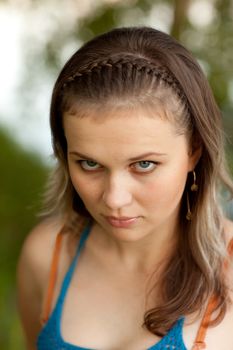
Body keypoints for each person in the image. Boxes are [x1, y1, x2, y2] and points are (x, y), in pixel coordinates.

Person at [17, 26, 233, 350]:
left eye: (143, 165)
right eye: (89, 164)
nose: (114, 199)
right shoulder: (46, 256)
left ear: (194, 151)